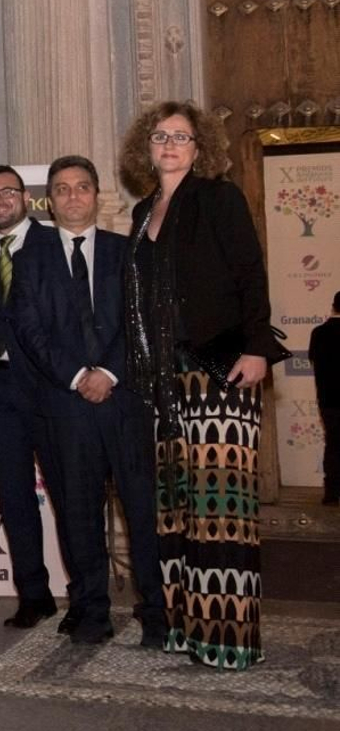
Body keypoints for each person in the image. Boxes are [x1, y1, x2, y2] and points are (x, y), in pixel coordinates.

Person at [121, 101, 283, 670]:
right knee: (177, 510)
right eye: (160, 136)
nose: (169, 145)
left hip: (220, 370)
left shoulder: (219, 198)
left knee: (221, 509)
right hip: (163, 383)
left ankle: (228, 639)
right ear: (147, 146)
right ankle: (184, 629)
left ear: (200, 147)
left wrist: (259, 348)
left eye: (181, 137)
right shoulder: (142, 211)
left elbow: (249, 274)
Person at [14, 155, 165, 646]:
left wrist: (110, 372)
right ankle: (92, 611)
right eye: (62, 188)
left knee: (141, 511)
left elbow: (142, 323)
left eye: (82, 187)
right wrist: (79, 375)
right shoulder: (29, 260)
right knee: (78, 515)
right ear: (49, 200)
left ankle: (156, 612)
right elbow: (31, 331)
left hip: (125, 403)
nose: (73, 196)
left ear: (97, 195)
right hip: (66, 406)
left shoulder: (130, 252)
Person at [0, 164, 61, 629]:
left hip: (48, 388)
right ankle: (34, 594)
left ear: (26, 198)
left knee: (69, 495)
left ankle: (86, 597)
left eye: (6, 192)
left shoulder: (55, 244)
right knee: (15, 498)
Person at [314, 292, 340, 506]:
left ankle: (331, 493)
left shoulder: (319, 333)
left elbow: (315, 361)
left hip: (328, 400)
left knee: (333, 444)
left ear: (333, 307)